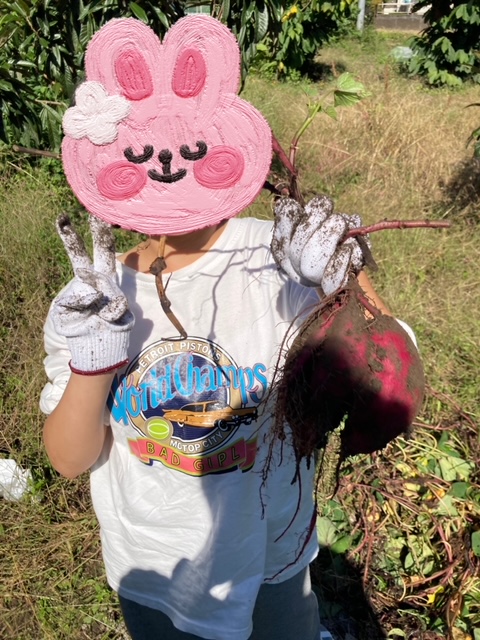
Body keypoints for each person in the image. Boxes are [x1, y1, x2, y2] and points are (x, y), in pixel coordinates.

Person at [39, 14, 406, 640]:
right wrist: (92, 362)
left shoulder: (282, 259)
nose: (164, 164)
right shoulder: (94, 299)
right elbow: (70, 459)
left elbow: (392, 384)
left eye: (187, 147)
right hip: (155, 567)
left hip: (272, 560)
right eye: (142, 152)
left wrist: (343, 283)